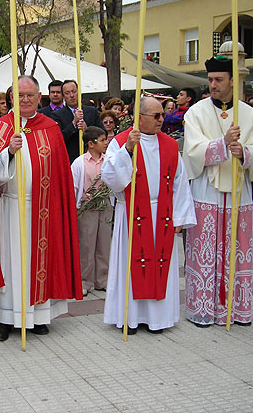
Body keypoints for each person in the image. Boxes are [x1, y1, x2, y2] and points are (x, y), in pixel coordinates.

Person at [0, 75, 82, 341]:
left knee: (39, 262)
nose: (25, 100)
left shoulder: (50, 127)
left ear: (39, 97)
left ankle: (39, 316)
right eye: (19, 96)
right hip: (6, 209)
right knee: (7, 262)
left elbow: (61, 172)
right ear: (11, 99)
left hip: (43, 210)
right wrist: (7, 151)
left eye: (30, 95)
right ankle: (4, 319)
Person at [183, 56, 253, 327]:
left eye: (219, 80)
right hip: (207, 188)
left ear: (233, 81)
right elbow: (192, 152)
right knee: (206, 248)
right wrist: (221, 144)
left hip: (239, 189)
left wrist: (244, 151)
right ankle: (204, 309)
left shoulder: (249, 113)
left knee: (237, 247)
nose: (213, 85)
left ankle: (236, 308)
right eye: (210, 80)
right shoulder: (195, 112)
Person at [101, 97, 196, 334]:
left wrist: (180, 217)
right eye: (156, 116)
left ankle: (158, 319)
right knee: (131, 268)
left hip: (162, 214)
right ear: (139, 117)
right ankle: (130, 318)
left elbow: (179, 182)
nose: (162, 120)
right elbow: (111, 179)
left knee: (160, 266)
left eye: (162, 115)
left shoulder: (170, 145)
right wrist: (128, 150)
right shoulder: (122, 141)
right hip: (132, 213)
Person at [71, 126, 112, 296]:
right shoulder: (79, 162)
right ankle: (84, 281)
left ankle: (102, 279)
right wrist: (74, 207)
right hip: (87, 206)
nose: (105, 143)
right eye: (102, 140)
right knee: (86, 244)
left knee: (104, 243)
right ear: (91, 143)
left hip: (105, 204)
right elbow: (74, 186)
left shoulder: (109, 160)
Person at [52, 80, 105, 163]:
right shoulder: (57, 115)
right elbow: (58, 139)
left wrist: (88, 131)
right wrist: (73, 124)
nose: (72, 95)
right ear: (63, 96)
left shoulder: (92, 111)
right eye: (67, 93)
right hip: (70, 160)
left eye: (74, 91)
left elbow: (103, 133)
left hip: (92, 158)